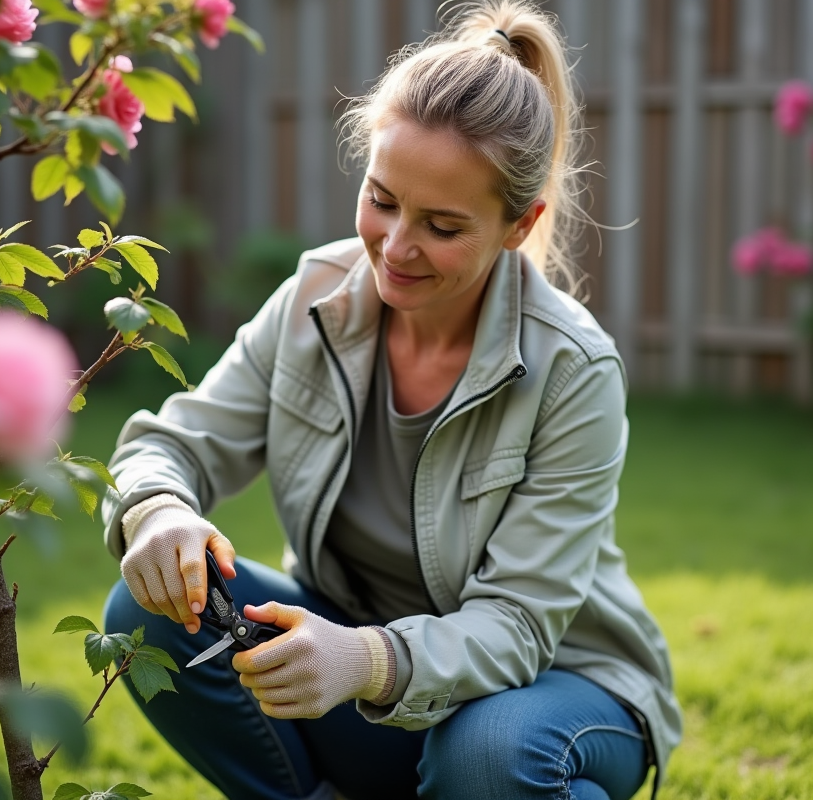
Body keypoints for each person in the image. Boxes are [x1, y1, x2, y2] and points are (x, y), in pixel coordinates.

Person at [100, 2, 682, 798]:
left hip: (559, 685)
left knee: (486, 758)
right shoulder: (315, 299)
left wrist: (366, 659)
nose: (396, 247)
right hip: (368, 683)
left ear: (520, 225)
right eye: (382, 199)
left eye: (443, 226)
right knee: (149, 615)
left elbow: (516, 624)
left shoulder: (573, 369)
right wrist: (158, 509)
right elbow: (175, 443)